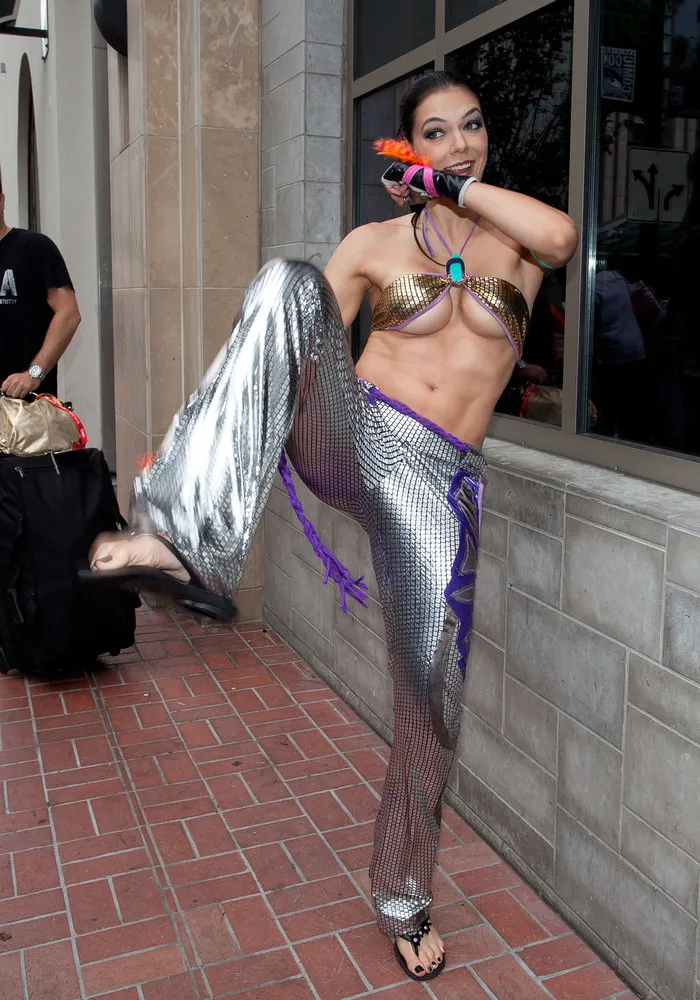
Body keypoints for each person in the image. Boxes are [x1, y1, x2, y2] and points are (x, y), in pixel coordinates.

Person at [85, 72, 578, 980]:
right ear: (406, 147)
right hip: (358, 438)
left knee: (430, 694)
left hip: (439, 484)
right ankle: (180, 528)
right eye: (436, 133)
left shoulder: (520, 248)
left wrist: (456, 192)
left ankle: (404, 896)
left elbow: (564, 233)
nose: (459, 141)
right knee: (285, 283)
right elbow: (298, 347)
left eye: (471, 126)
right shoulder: (373, 244)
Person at [0, 172, 81, 399]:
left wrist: (33, 373)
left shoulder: (35, 248)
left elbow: (69, 313)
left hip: (26, 413)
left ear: (2, 201)